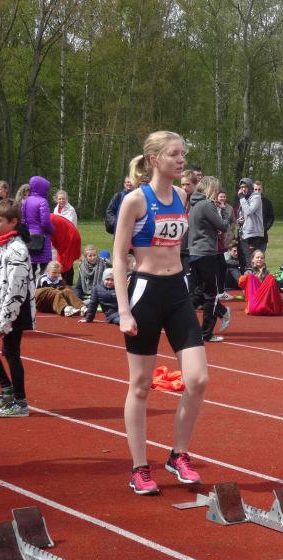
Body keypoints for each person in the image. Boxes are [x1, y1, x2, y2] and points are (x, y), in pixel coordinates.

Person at [113, 130, 208, 495]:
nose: (181, 160)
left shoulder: (183, 196)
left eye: (183, 153)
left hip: (177, 292)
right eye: (174, 154)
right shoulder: (135, 201)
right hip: (145, 293)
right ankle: (139, 467)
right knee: (140, 385)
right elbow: (118, 258)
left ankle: (178, 455)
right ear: (154, 160)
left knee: (197, 379)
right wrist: (123, 311)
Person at [0, 200, 36, 417]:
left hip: (14, 311)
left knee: (10, 352)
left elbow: (16, 288)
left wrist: (6, 318)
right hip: (2, 309)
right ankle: (7, 391)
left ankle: (20, 402)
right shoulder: (4, 245)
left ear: (13, 222)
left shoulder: (17, 249)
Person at [188, 176, 232, 342]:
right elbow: (223, 225)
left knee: (199, 291)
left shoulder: (193, 203)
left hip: (195, 252)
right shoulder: (207, 205)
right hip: (206, 253)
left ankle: (221, 312)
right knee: (211, 294)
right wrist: (224, 211)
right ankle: (206, 332)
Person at [20, 176, 55, 275]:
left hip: (29, 237)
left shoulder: (26, 201)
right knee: (45, 268)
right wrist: (52, 230)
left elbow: (23, 220)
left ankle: (30, 284)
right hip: (42, 237)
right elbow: (45, 222)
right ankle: (43, 284)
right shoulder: (43, 201)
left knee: (30, 268)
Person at [239, 249, 283, 315]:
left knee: (271, 278)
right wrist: (260, 273)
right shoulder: (248, 272)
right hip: (254, 298)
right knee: (251, 277)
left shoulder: (266, 272)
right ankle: (257, 306)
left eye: (262, 258)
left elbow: (269, 288)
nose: (260, 259)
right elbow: (246, 289)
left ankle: (272, 306)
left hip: (265, 298)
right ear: (252, 260)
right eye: (257, 257)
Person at [236, 177, 263, 271]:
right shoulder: (244, 198)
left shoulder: (256, 197)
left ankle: (255, 277)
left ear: (250, 187)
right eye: (241, 187)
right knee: (244, 260)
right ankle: (247, 277)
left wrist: (241, 198)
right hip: (244, 233)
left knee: (252, 261)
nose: (243, 189)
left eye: (245, 187)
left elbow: (249, 211)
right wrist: (239, 220)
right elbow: (243, 214)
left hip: (253, 234)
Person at [49, 212, 81, 286]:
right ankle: (65, 285)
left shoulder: (46, 219)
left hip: (70, 237)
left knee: (65, 264)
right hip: (67, 237)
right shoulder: (47, 217)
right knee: (65, 263)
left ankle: (66, 286)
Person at [254, 180, 274, 252]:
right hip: (250, 237)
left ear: (262, 190)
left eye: (259, 189)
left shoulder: (267, 202)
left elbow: (271, 217)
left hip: (262, 237)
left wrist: (265, 228)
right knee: (250, 257)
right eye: (255, 189)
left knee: (260, 256)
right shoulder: (248, 202)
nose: (257, 191)